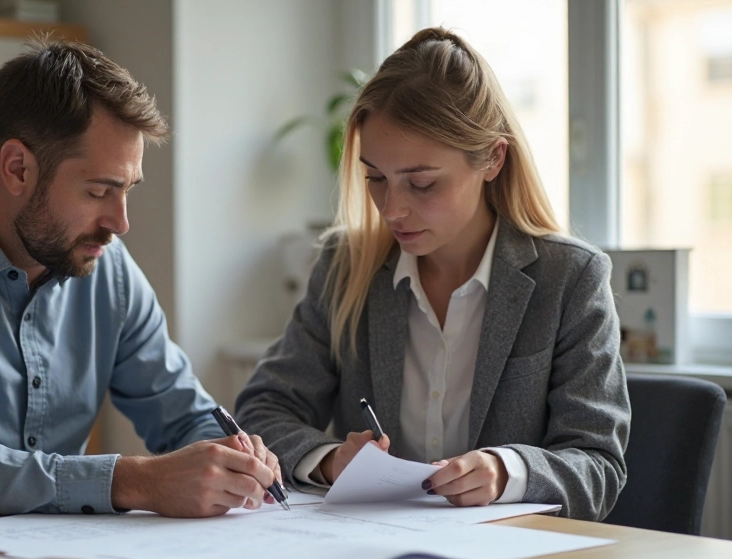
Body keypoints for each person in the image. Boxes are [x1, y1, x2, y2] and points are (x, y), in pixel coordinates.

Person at [0, 39, 281, 529]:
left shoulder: (108, 269)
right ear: (17, 168)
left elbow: (184, 416)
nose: (121, 223)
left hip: (47, 554)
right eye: (99, 191)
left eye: (127, 191)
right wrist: (135, 480)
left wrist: (237, 456)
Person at [235, 27, 630, 521]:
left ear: (492, 158)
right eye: (376, 178)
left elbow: (598, 463)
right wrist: (333, 460)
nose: (393, 209)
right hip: (371, 551)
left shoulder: (570, 278)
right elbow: (263, 410)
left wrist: (507, 471)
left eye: (421, 184)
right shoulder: (345, 267)